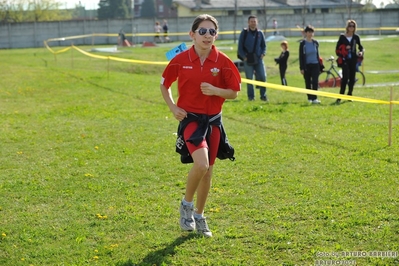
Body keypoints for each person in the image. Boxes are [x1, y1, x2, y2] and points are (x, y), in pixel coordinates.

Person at [160, 14, 241, 237]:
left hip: (214, 122)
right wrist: (172, 107)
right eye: (202, 31)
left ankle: (199, 215)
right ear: (192, 34)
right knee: (202, 164)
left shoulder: (223, 61)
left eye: (212, 32)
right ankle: (186, 206)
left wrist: (216, 91)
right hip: (191, 120)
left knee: (208, 172)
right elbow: (164, 84)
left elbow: (234, 92)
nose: (207, 36)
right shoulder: (180, 59)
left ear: (216, 35)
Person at [237, 15, 267, 101]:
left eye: (254, 21)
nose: (253, 23)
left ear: (257, 22)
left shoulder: (260, 33)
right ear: (248, 22)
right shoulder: (244, 33)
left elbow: (264, 46)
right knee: (250, 79)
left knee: (263, 77)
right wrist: (244, 57)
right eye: (251, 21)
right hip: (248, 59)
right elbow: (240, 47)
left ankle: (263, 96)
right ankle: (251, 97)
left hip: (258, 59)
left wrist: (263, 54)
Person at [335, 20, 364, 104]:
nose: (351, 27)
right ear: (347, 27)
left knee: (352, 78)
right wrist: (344, 49)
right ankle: (340, 96)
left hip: (353, 60)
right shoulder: (342, 37)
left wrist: (361, 52)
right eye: (350, 26)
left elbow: (361, 47)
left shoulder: (356, 37)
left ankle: (350, 94)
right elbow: (337, 50)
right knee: (345, 78)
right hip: (344, 60)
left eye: (353, 26)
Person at [299, 25, 322, 104]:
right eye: (309, 32)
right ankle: (309, 98)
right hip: (307, 66)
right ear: (306, 33)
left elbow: (317, 54)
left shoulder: (315, 43)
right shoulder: (303, 44)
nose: (310, 34)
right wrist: (301, 68)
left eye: (312, 32)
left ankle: (315, 98)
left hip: (315, 64)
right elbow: (301, 56)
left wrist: (319, 65)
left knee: (315, 82)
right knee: (308, 82)